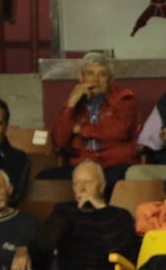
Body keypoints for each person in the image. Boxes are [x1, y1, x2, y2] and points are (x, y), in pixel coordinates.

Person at [27, 161, 136, 270]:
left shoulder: (118, 214)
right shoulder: (63, 210)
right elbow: (44, 245)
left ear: (101, 186)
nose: (81, 188)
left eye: (88, 182)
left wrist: (101, 209)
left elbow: (118, 249)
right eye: (76, 183)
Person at [46, 51, 139, 189]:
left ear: (110, 79)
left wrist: (80, 129)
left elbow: (120, 131)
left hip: (114, 165)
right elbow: (59, 140)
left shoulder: (123, 99)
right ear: (81, 76)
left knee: (110, 180)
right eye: (90, 73)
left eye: (102, 74)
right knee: (45, 177)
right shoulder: (74, 102)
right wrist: (70, 105)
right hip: (82, 167)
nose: (95, 80)